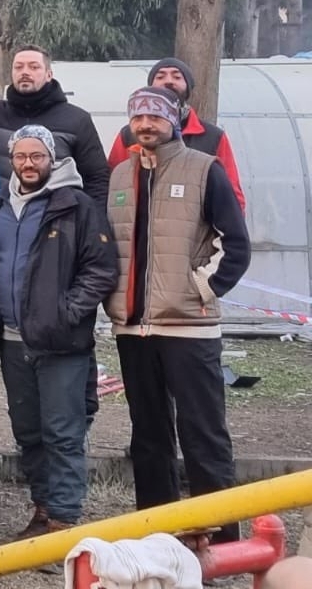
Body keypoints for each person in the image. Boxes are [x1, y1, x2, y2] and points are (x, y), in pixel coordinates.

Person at [107, 86, 251, 541]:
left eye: (156, 116)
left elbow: (237, 244)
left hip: (189, 327)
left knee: (203, 432)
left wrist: (201, 288)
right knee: (148, 435)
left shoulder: (204, 169)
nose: (146, 124)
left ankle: (223, 536)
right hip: (132, 327)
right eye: (138, 116)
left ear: (175, 118)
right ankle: (158, 531)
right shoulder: (117, 178)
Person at [0, 126, 118, 536]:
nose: (28, 164)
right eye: (21, 156)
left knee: (63, 431)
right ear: (12, 159)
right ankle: (42, 508)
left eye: (37, 156)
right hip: (12, 340)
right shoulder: (1, 204)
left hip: (60, 343)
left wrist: (67, 311)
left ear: (51, 159)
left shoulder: (75, 205)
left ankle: (64, 519)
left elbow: (100, 267)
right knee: (29, 432)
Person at [0, 46, 110, 205]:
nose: (25, 72)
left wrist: (93, 223)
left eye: (34, 67)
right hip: (5, 218)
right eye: (18, 67)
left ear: (49, 74)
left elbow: (97, 178)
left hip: (58, 220)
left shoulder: (77, 120)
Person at [108, 57, 245, 209]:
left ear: (188, 86)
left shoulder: (212, 137)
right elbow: (113, 184)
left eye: (177, 76)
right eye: (160, 76)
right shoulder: (130, 135)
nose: (168, 81)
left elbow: (232, 194)